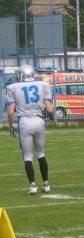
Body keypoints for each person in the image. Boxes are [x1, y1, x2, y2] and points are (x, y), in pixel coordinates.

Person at [6, 64, 54, 195]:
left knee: (27, 156)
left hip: (24, 122)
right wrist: (52, 118)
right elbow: (50, 109)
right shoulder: (43, 85)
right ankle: (46, 184)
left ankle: (33, 185)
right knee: (41, 153)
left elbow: (11, 111)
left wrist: (10, 126)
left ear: (22, 75)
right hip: (39, 121)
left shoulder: (13, 87)